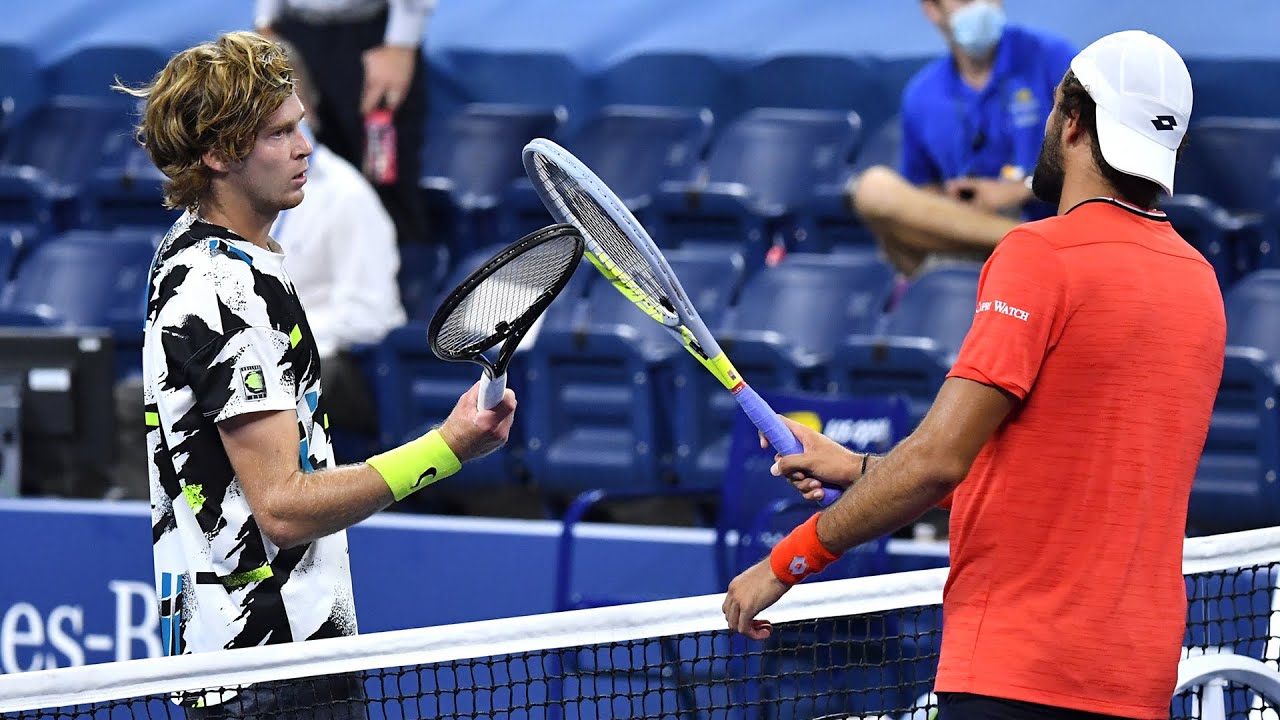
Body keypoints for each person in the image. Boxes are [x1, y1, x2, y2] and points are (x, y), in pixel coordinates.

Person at [725, 30, 1223, 720]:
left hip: (1014, 675)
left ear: (1073, 122)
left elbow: (936, 462)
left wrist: (788, 562)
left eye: (1055, 112)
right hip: (1135, 684)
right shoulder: (1201, 285)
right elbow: (1047, 500)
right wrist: (859, 469)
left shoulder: (1037, 255)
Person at [119, 31, 514, 715]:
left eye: (301, 124)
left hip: (263, 663)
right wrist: (444, 449)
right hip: (272, 673)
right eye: (279, 134)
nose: (305, 147)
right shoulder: (222, 288)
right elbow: (282, 505)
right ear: (217, 153)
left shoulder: (203, 251)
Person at [852, 0, 1076, 279]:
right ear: (932, 10)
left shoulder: (1051, 57)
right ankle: (1023, 244)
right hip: (969, 240)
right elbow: (925, 189)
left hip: (1048, 222)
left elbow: (1095, 156)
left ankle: (1037, 245)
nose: (982, 6)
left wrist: (1022, 189)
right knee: (874, 190)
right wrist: (953, 204)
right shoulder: (922, 94)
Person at [271, 40, 407, 439]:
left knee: (258, 392)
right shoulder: (225, 196)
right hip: (264, 357)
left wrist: (271, 341)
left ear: (306, 109)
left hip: (344, 365)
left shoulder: (346, 196)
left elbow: (368, 316)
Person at [255, 0, 433, 248]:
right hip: (291, 32)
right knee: (295, 176)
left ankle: (401, 282)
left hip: (373, 41)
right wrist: (265, 23)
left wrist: (401, 44)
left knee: (385, 184)